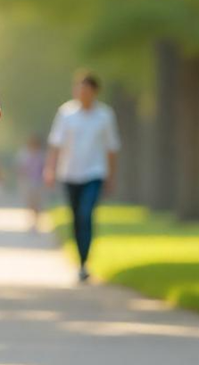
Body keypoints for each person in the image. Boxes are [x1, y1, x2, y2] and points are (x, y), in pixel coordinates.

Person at [44, 71, 120, 282]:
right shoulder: (66, 113)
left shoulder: (105, 116)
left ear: (95, 92)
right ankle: (81, 261)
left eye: (86, 89)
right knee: (77, 218)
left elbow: (112, 148)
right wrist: (50, 169)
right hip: (69, 174)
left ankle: (84, 263)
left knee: (86, 214)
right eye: (79, 89)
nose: (82, 93)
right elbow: (55, 144)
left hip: (95, 173)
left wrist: (111, 177)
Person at [16, 134, 48, 233]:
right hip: (27, 182)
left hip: (38, 183)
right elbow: (20, 168)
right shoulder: (24, 154)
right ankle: (32, 221)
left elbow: (45, 168)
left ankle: (36, 222)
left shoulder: (41, 155)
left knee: (37, 203)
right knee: (30, 203)